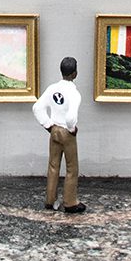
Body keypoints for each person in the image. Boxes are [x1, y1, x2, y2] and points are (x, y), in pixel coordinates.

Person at [32, 56, 85, 213]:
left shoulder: (52, 88)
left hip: (54, 130)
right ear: (75, 73)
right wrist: (72, 128)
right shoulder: (74, 93)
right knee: (71, 168)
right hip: (66, 132)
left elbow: (37, 108)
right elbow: (70, 117)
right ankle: (70, 202)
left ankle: (50, 200)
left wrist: (48, 125)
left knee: (53, 165)